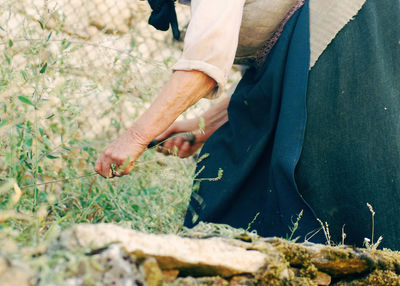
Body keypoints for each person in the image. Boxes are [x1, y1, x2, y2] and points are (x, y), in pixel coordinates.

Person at [95, 0, 400, 249]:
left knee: (328, 188)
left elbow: (204, 65)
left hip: (348, 37)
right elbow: (274, 76)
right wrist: (200, 127)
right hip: (338, 41)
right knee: (239, 168)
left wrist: (135, 137)